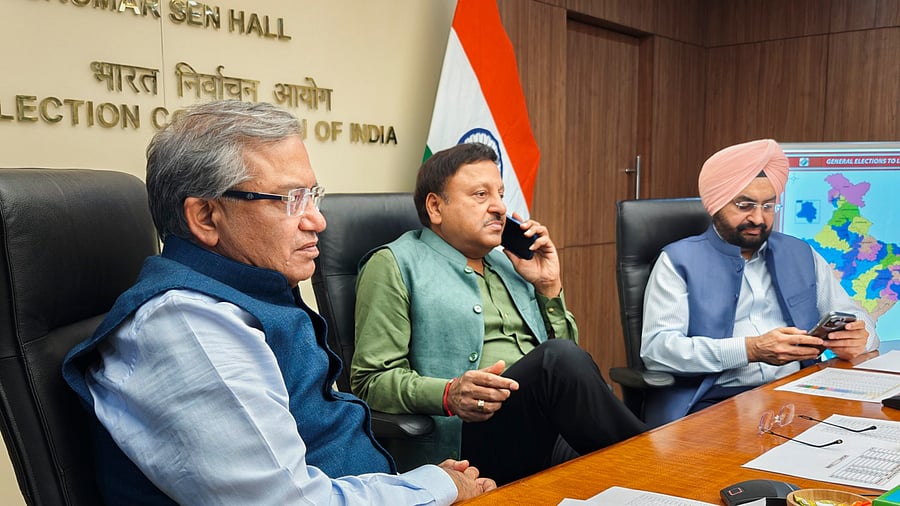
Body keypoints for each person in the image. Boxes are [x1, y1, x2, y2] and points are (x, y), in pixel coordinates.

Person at [61, 100, 495, 505]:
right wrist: (435, 487)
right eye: (291, 199)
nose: (318, 220)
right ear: (206, 217)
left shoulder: (249, 290)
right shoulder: (189, 329)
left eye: (313, 195)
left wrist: (408, 485)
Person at [351, 142, 646, 485]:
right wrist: (448, 393)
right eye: (480, 195)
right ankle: (663, 465)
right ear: (435, 207)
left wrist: (549, 287)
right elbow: (369, 381)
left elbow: (572, 370)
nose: (500, 208)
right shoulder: (394, 264)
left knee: (608, 464)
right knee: (559, 363)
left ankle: (660, 471)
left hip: (545, 430)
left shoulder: (509, 262)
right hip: (467, 441)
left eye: (501, 194)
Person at [640, 138, 879, 428]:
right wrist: (750, 349)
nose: (758, 218)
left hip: (799, 393)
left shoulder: (801, 252)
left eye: (768, 206)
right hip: (715, 402)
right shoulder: (677, 260)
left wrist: (861, 336)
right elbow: (658, 350)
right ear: (716, 204)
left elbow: (853, 314)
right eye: (745, 205)